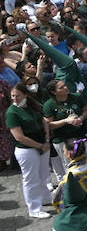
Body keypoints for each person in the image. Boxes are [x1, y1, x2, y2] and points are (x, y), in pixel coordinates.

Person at [8, 81, 52, 217]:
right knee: (31, 178)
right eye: (13, 96)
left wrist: (46, 141)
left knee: (44, 174)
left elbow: (44, 121)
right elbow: (19, 137)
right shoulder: (12, 113)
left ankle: (46, 199)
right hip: (26, 150)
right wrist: (40, 146)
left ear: (26, 95)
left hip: (42, 145)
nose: (15, 99)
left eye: (18, 96)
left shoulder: (32, 106)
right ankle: (34, 208)